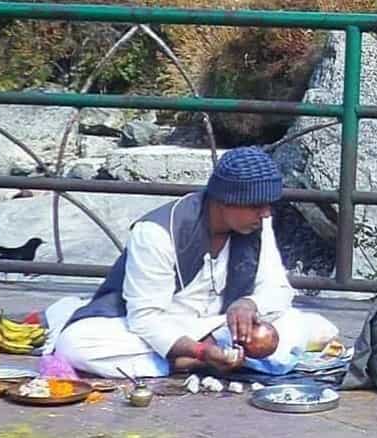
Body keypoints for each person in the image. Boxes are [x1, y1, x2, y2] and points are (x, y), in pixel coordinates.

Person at [53, 146, 295, 378]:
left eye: (268, 205)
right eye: (255, 206)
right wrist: (199, 350)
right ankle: (187, 361)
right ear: (224, 200)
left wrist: (247, 304)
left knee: (305, 328)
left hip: (218, 325)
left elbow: (278, 289)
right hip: (161, 327)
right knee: (74, 344)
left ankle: (205, 358)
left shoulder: (258, 225)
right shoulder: (156, 232)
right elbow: (145, 319)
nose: (266, 213)